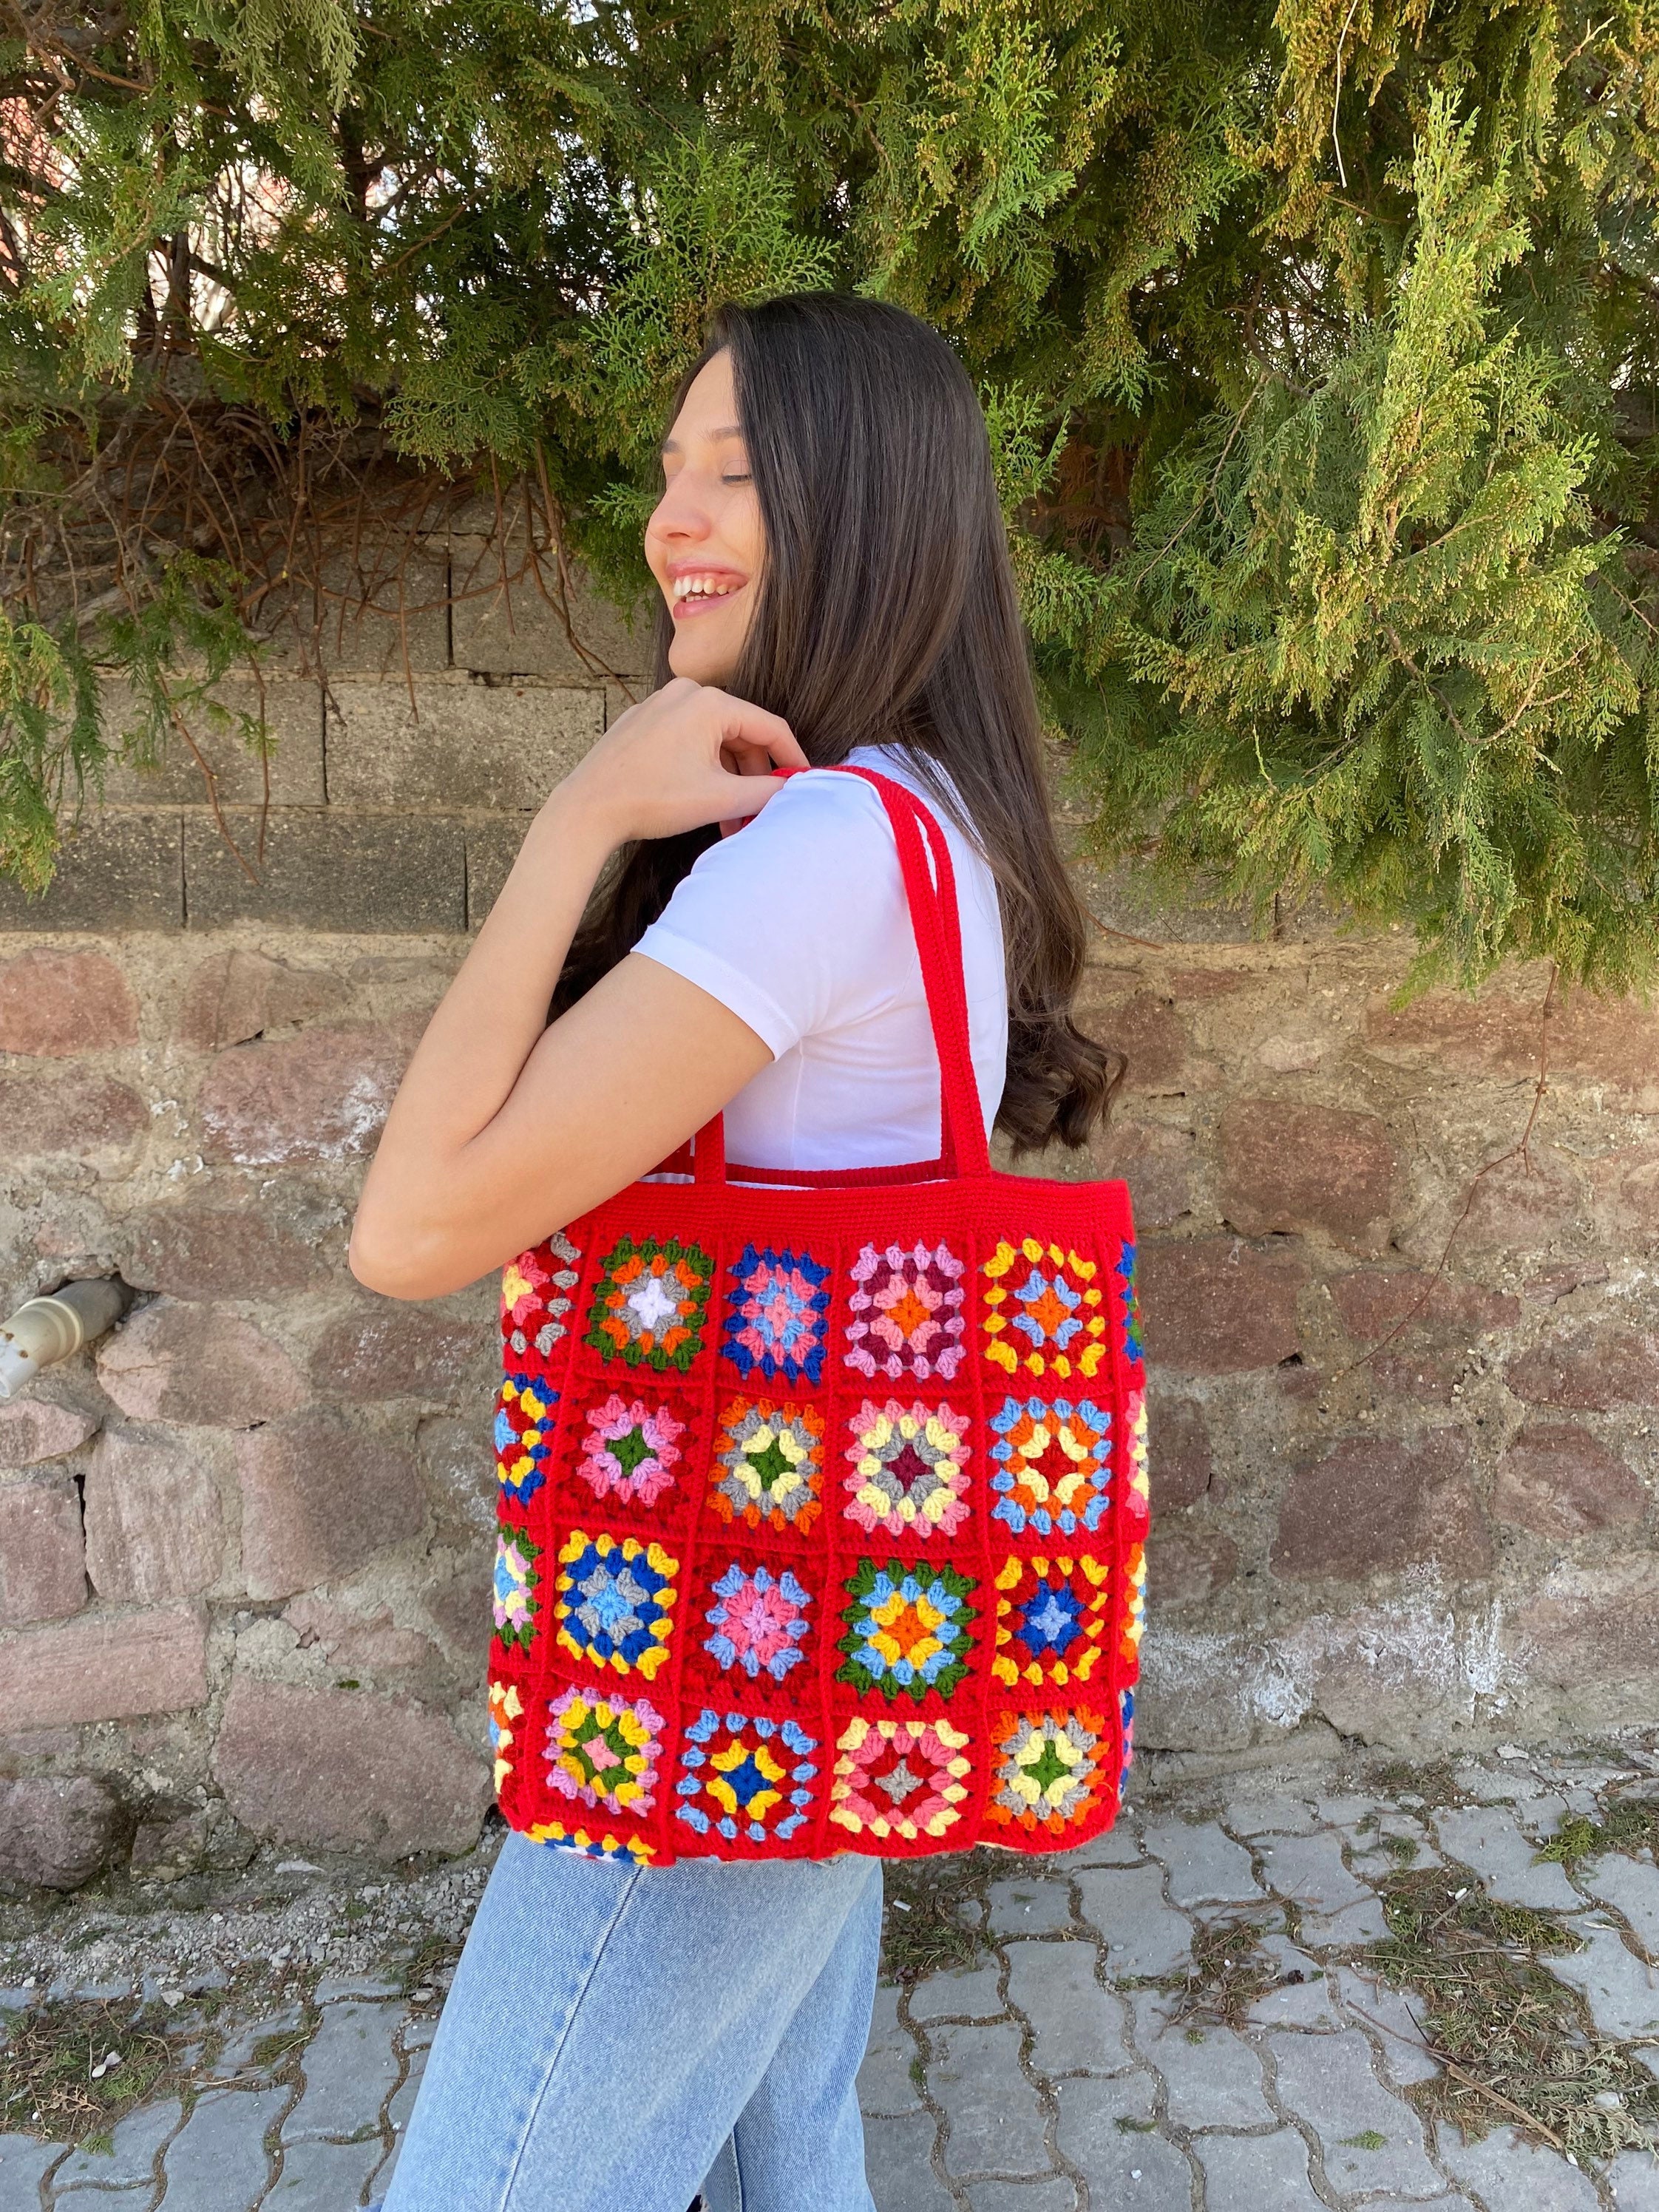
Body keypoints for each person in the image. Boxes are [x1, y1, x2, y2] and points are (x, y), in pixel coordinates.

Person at [348, 291, 1121, 2212]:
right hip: (831, 1621)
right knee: (794, 2143)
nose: (667, 519)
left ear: (864, 505)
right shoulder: (931, 821)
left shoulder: (822, 849)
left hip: (712, 1689)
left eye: (733, 473)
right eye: (663, 474)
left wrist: (577, 811)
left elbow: (414, 1226)